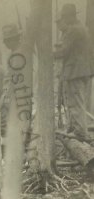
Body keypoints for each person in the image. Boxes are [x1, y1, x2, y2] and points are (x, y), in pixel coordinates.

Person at [54, 4, 94, 144]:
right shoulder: (81, 28)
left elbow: (64, 51)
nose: (64, 20)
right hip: (79, 71)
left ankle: (81, 133)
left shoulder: (73, 30)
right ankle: (75, 128)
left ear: (71, 16)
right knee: (74, 101)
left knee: (76, 102)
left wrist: (48, 53)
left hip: (75, 72)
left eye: (65, 17)